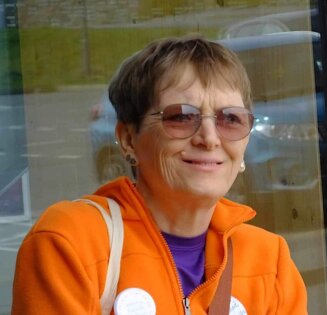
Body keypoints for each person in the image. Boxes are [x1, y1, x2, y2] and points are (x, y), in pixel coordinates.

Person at [12, 35, 307, 314]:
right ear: (128, 139)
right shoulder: (70, 242)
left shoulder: (269, 259)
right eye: (181, 117)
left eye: (230, 119)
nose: (210, 138)